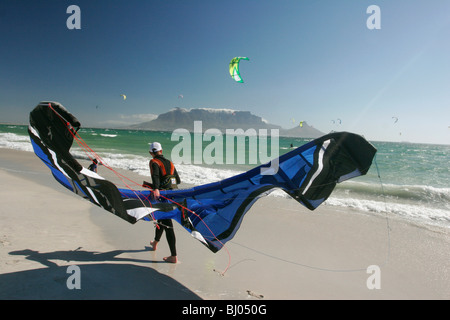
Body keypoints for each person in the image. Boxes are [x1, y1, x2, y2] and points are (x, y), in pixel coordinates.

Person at [148, 142, 181, 263]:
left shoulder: (153, 162)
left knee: (168, 225)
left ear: (151, 153)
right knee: (162, 221)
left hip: (162, 197)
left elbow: (155, 176)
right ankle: (155, 243)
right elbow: (177, 180)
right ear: (161, 150)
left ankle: (174, 256)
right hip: (172, 196)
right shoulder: (170, 163)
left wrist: (156, 188)